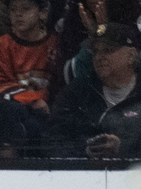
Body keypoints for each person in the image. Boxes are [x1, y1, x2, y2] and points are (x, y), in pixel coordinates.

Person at [51, 22, 141, 159]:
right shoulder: (76, 92)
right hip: (86, 175)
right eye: (96, 51)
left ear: (131, 55)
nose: (99, 57)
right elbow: (53, 139)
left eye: (108, 50)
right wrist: (86, 151)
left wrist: (123, 149)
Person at [55, 0, 140, 78]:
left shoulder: (133, 19)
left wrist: (103, 32)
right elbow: (69, 74)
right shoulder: (74, 21)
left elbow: (129, 68)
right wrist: (93, 36)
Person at [0, 0, 59, 114]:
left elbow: (61, 86)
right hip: (14, 113)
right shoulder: (1, 45)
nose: (18, 14)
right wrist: (34, 100)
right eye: (13, 9)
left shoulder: (55, 44)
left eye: (26, 8)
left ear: (43, 13)